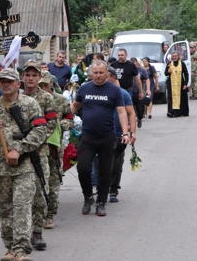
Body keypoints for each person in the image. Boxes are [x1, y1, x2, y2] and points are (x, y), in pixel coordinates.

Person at [0, 68, 47, 261]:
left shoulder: (30, 104)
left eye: (10, 81)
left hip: (23, 167)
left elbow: (41, 130)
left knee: (22, 207)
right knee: (5, 210)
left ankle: (22, 250)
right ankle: (9, 248)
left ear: (18, 84)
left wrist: (21, 149)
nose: (6, 84)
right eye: (2, 81)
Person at [71, 60, 130, 217]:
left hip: (107, 136)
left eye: (101, 73)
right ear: (91, 74)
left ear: (107, 74)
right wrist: (65, 119)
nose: (98, 76)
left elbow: (122, 112)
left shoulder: (114, 90)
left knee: (105, 171)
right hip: (87, 136)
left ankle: (101, 202)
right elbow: (74, 106)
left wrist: (125, 133)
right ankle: (88, 197)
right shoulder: (84, 88)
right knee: (83, 168)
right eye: (95, 73)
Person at [21, 60, 57, 251]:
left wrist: (34, 141)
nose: (31, 78)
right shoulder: (15, 98)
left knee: (39, 193)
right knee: (20, 195)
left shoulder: (46, 98)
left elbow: (51, 124)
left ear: (39, 77)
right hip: (18, 152)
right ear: (23, 77)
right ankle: (20, 234)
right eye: (28, 75)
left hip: (39, 152)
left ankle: (37, 232)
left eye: (34, 75)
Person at [38, 71, 74, 230]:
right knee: (37, 183)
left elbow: (69, 119)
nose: (43, 89)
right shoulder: (31, 100)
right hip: (37, 147)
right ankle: (36, 214)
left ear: (51, 84)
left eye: (45, 85)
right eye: (41, 86)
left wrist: (59, 126)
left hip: (54, 148)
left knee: (52, 182)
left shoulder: (61, 101)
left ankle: (50, 215)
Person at [106, 66, 136, 203]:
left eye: (105, 76)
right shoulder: (100, 92)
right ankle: (101, 188)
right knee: (101, 163)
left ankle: (113, 190)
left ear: (113, 77)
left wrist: (132, 132)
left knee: (116, 164)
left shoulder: (123, 94)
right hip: (103, 134)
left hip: (119, 134)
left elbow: (131, 113)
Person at [165, 52, 189, 117]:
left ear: (178, 57)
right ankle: (171, 112)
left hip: (180, 84)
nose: (174, 57)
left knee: (181, 98)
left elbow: (186, 74)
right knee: (171, 98)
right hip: (171, 84)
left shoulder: (182, 63)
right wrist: (168, 72)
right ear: (172, 57)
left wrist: (185, 84)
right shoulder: (169, 64)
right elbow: (166, 73)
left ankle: (180, 112)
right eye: (173, 56)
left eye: (176, 56)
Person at [130, 57, 150, 128]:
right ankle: (131, 122)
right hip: (130, 91)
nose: (133, 64)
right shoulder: (129, 69)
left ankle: (139, 118)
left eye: (134, 63)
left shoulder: (141, 70)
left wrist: (148, 89)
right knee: (130, 108)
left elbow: (147, 79)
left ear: (137, 62)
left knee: (140, 109)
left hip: (139, 92)